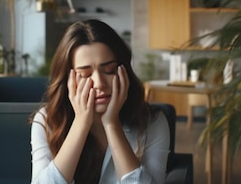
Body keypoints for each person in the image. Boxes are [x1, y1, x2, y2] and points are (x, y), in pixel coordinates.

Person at [30, 19, 170, 184]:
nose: (99, 83)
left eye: (109, 71)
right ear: (68, 80)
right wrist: (81, 122)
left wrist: (112, 124)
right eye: (85, 74)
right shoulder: (47, 121)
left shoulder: (152, 122)